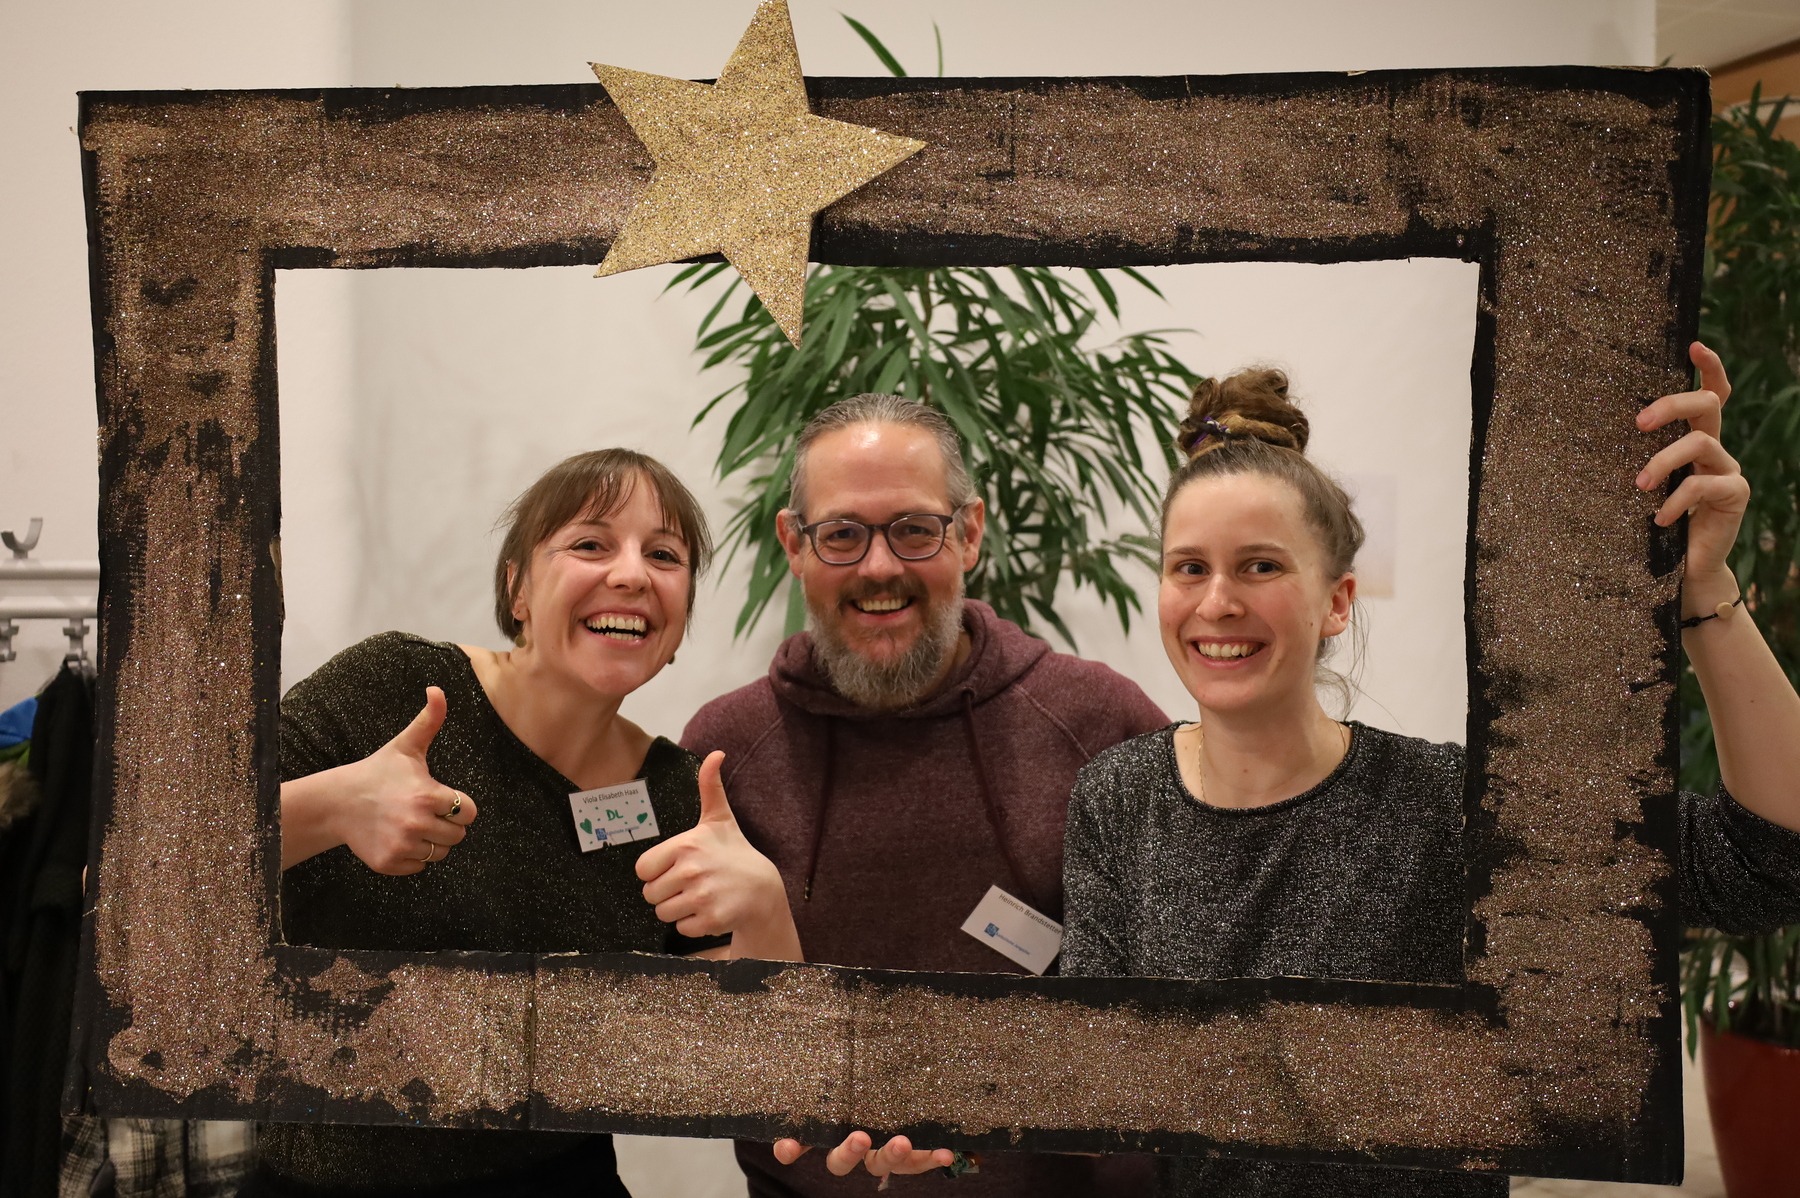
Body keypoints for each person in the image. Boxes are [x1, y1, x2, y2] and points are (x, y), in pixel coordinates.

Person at [1060, 347, 1800, 1197]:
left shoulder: (1446, 803)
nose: (1217, 602)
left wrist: (1704, 590)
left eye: (1261, 566)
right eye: (1189, 567)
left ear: (1336, 602)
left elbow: (1767, 864)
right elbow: (1093, 1084)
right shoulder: (1117, 798)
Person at [246, 449, 802, 1198]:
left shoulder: (676, 795)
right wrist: (334, 805)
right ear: (518, 588)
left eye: (664, 555)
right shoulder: (393, 689)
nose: (632, 574)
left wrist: (767, 911)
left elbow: (761, 1068)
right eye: (590, 543)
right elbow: (137, 876)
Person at [681, 394, 1170, 1195]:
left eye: (914, 529)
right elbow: (684, 1029)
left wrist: (988, 1106)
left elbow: (1183, 1009)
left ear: (970, 533)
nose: (879, 567)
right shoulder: (724, 753)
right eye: (843, 534)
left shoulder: (1100, 723)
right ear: (794, 545)